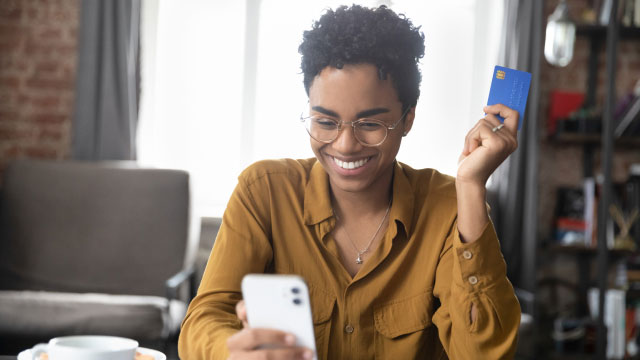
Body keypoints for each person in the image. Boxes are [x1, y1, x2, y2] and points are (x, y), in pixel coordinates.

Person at [179, 4, 520, 360]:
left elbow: (482, 354)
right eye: (325, 122)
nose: (344, 145)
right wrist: (231, 352)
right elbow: (205, 319)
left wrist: (471, 186)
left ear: (407, 119)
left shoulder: (449, 207)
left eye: (371, 125)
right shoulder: (263, 191)